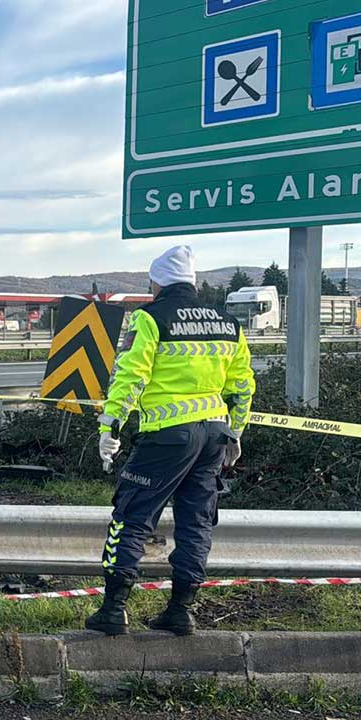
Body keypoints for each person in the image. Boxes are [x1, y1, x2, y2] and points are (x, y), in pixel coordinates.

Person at [85, 245, 255, 636]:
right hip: (215, 434)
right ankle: (181, 610)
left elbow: (130, 376)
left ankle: (113, 610)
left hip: (168, 437)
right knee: (196, 521)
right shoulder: (228, 323)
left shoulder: (150, 318)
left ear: (157, 281)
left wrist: (109, 428)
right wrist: (237, 431)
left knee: (132, 516)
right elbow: (243, 385)